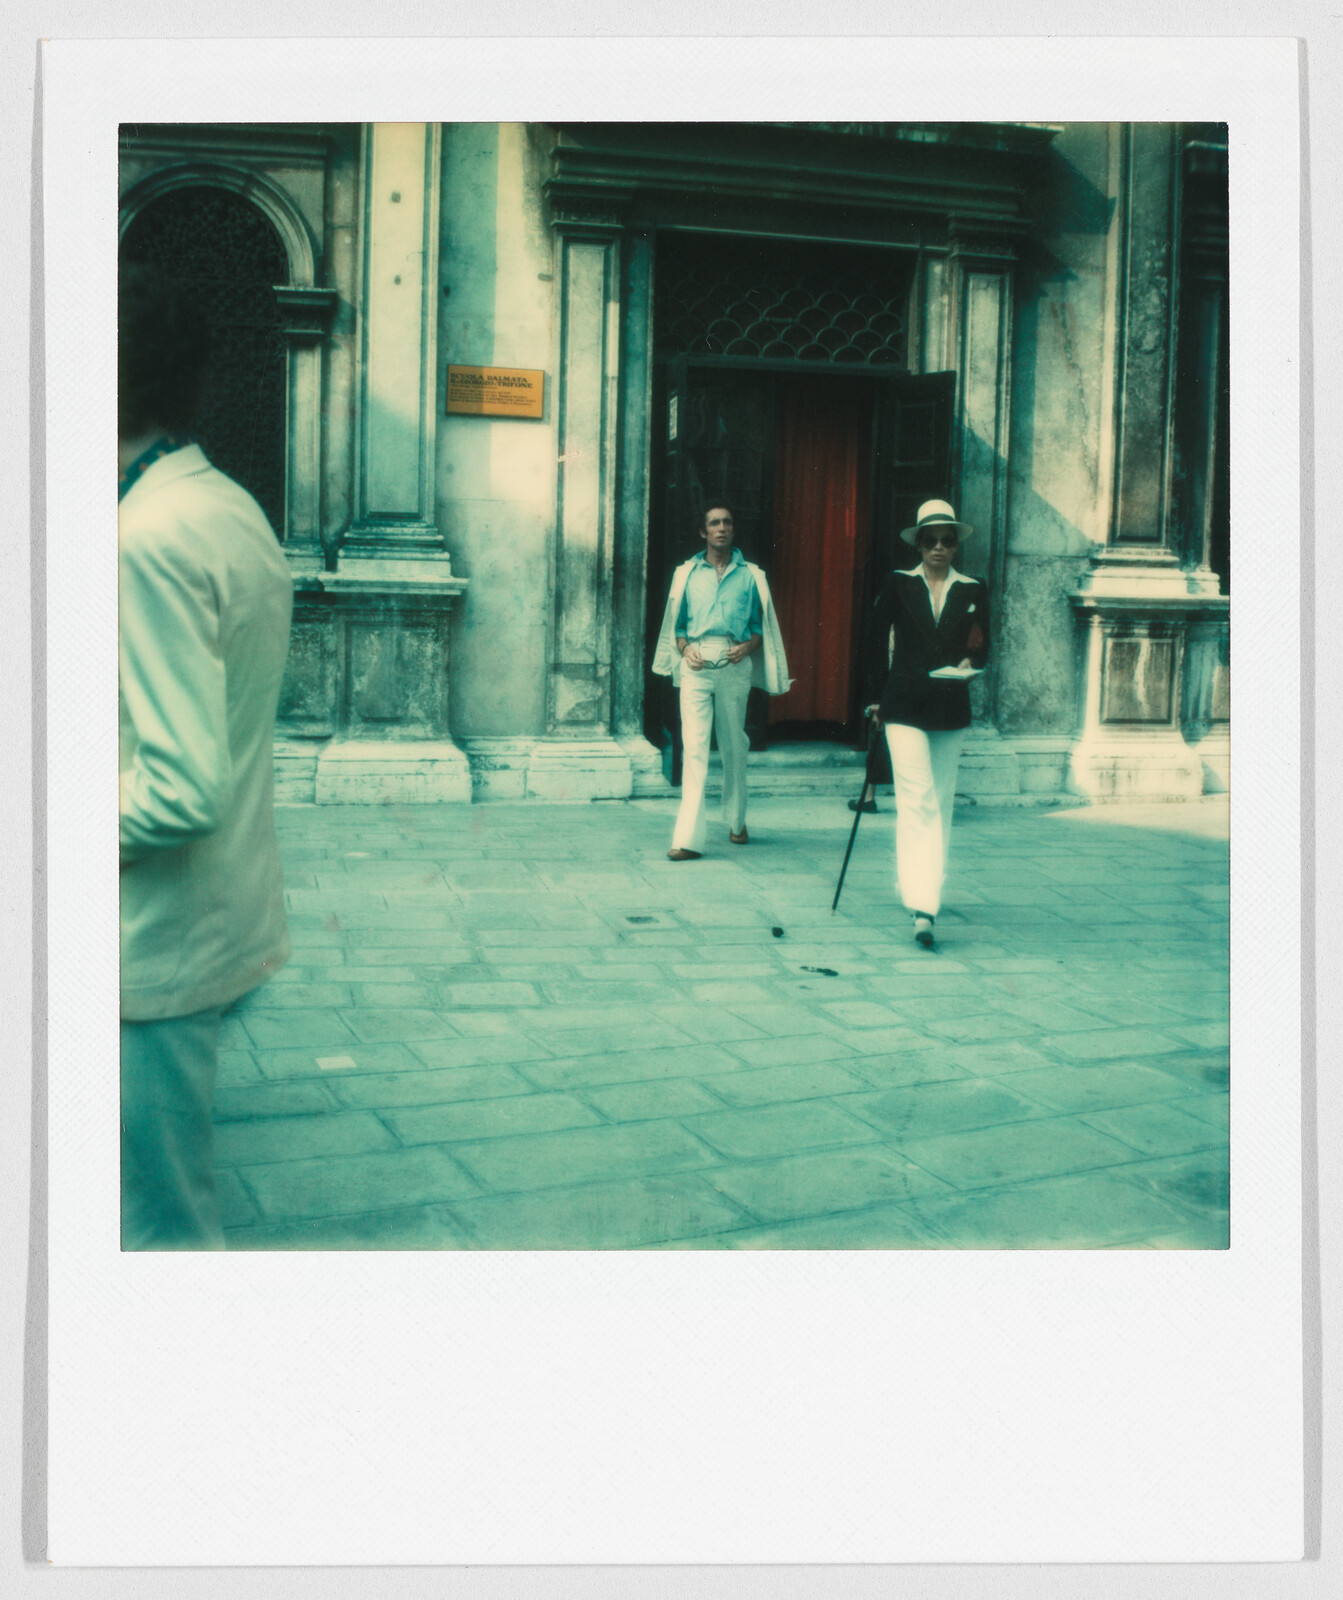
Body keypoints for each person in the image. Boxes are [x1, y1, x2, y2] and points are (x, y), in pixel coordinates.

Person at [118, 263, 294, 1249]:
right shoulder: (224, 502)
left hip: (149, 945)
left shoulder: (145, 534)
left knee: (158, 1232)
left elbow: (179, 787)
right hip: (211, 922)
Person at [865, 498, 990, 948]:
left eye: (948, 540)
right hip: (902, 705)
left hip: (949, 705)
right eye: (931, 540)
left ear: (956, 546)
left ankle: (919, 882)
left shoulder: (973, 589)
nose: (939, 547)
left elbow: (980, 646)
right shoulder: (899, 584)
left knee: (939, 800)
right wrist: (874, 700)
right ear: (918, 544)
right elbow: (875, 643)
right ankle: (924, 907)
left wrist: (968, 660)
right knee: (916, 798)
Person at [652, 504, 790, 860]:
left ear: (733, 529)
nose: (722, 528)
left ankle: (737, 820)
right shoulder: (686, 574)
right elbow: (677, 626)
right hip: (696, 663)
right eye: (714, 523)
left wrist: (747, 646)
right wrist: (685, 649)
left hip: (733, 662)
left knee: (733, 743)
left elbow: (760, 630)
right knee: (694, 747)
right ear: (703, 532)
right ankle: (687, 838)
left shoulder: (751, 575)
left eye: (727, 522)